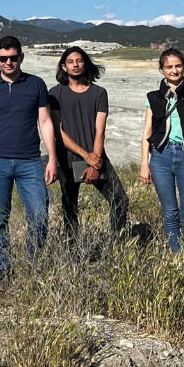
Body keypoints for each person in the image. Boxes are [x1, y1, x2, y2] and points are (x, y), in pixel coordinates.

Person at [0, 36, 57, 278]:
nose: (8, 62)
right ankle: (2, 268)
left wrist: (52, 158)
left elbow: (45, 121)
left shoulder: (36, 84)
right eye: (3, 58)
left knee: (40, 216)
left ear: (21, 57)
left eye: (13, 58)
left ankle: (31, 263)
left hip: (30, 160)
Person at [140, 48, 184, 262]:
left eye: (178, 65)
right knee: (170, 213)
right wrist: (144, 164)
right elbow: (147, 132)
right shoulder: (153, 97)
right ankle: (176, 258)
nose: (174, 70)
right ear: (161, 70)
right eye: (169, 66)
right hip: (160, 157)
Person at [48, 46, 129, 238]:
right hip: (67, 159)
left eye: (79, 60)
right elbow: (58, 132)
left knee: (120, 199)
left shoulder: (99, 93)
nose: (75, 65)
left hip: (97, 155)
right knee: (70, 207)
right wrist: (87, 157)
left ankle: (116, 245)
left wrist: (95, 161)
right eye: (70, 61)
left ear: (85, 63)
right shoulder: (55, 93)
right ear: (64, 67)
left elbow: (100, 130)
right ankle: (73, 252)